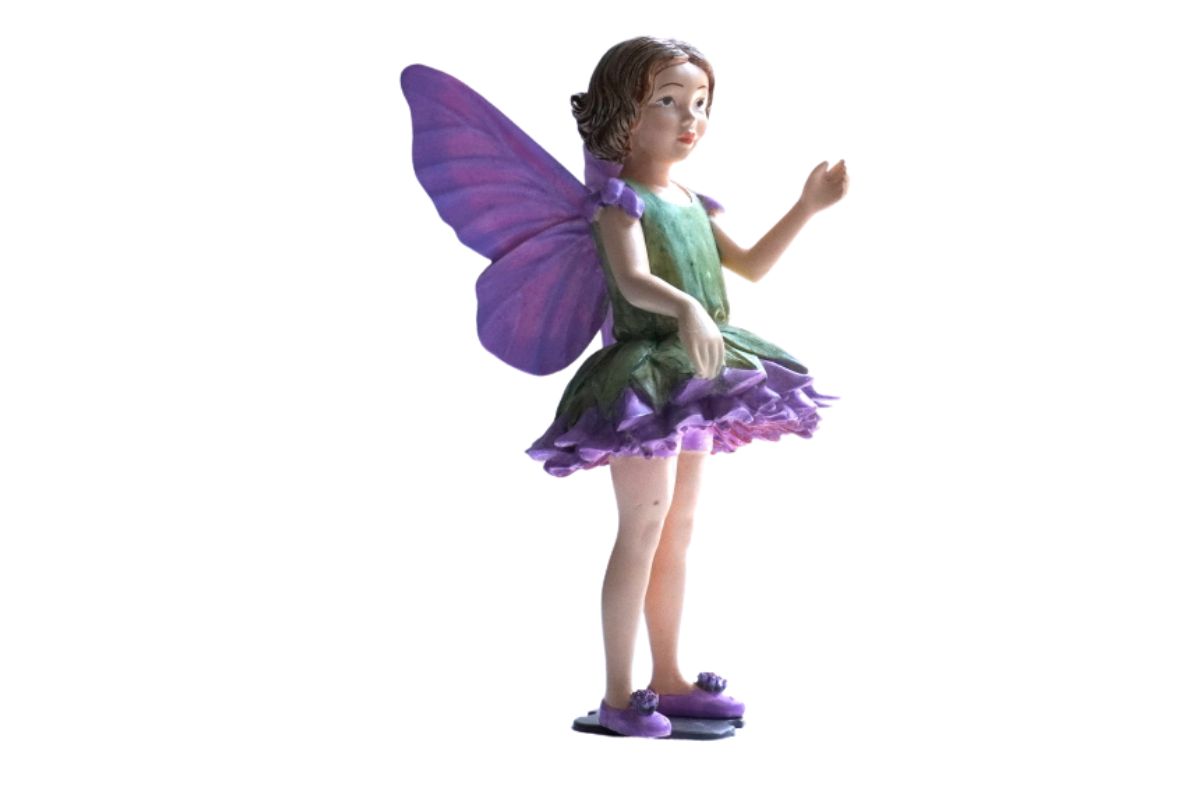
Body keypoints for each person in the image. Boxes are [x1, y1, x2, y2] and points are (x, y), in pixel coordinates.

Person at [523, 37, 849, 737]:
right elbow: (633, 279)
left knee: (679, 528)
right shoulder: (619, 202)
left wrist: (807, 205)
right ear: (623, 115)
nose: (689, 117)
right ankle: (618, 694)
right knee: (641, 528)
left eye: (699, 103)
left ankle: (667, 676)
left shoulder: (694, 201)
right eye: (667, 101)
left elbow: (752, 265)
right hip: (645, 380)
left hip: (697, 375)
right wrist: (688, 309)